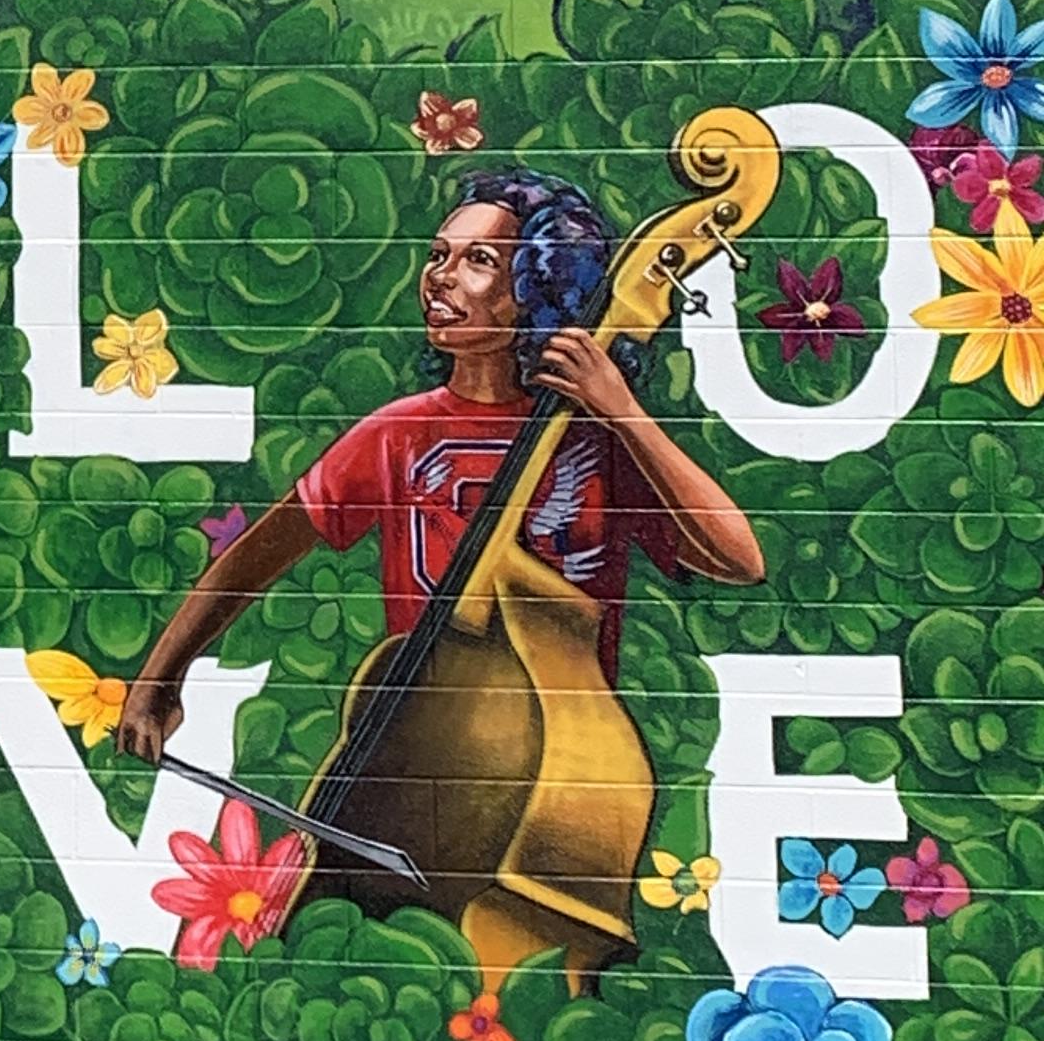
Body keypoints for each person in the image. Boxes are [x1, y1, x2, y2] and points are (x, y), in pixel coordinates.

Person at [113, 174, 764, 939]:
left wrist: (622, 411)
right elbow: (257, 556)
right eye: (438, 254)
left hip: (549, 799)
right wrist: (161, 675)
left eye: (478, 259)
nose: (440, 276)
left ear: (536, 290)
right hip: (398, 778)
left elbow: (737, 556)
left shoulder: (598, 443)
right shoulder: (397, 436)